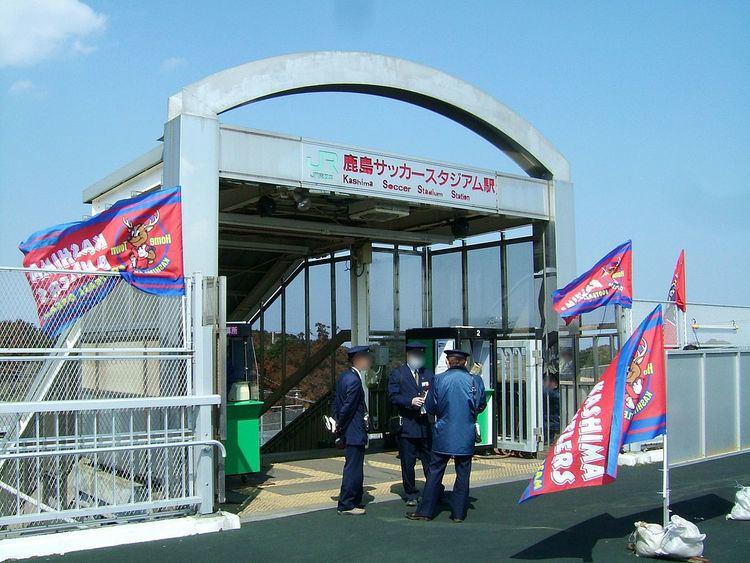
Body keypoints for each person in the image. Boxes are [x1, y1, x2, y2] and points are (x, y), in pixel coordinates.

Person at [406, 349, 486, 523]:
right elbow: (480, 405)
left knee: (435, 472)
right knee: (463, 473)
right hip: (465, 433)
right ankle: (458, 513)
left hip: (443, 432)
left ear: (449, 362)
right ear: (465, 362)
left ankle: (425, 511)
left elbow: (431, 406)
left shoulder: (439, 379)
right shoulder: (475, 380)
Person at [387, 342, 435, 506]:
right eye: (415, 355)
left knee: (429, 461)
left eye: (421, 355)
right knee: (408, 462)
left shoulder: (428, 374)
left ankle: (432, 490)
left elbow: (434, 394)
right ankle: (410, 493)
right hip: (407, 425)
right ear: (408, 356)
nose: (418, 358)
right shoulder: (398, 374)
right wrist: (410, 401)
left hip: (425, 425)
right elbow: (392, 397)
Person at [332, 345, 371, 516]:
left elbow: (336, 402)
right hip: (354, 430)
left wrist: (336, 425)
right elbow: (348, 407)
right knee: (353, 468)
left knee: (353, 466)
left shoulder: (344, 377)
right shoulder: (354, 381)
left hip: (348, 430)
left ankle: (354, 498)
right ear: (357, 360)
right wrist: (340, 424)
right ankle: (347, 503)